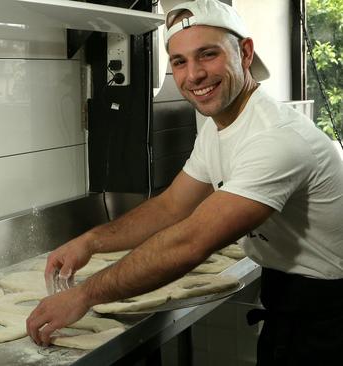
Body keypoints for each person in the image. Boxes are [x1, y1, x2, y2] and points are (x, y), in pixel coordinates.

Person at [26, 0, 343, 364]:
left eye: (207, 55)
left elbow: (189, 243)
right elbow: (171, 206)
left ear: (244, 51)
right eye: (179, 61)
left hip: (330, 310)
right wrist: (91, 241)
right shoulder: (219, 126)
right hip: (290, 296)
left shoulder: (275, 139)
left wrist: (84, 295)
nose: (193, 75)